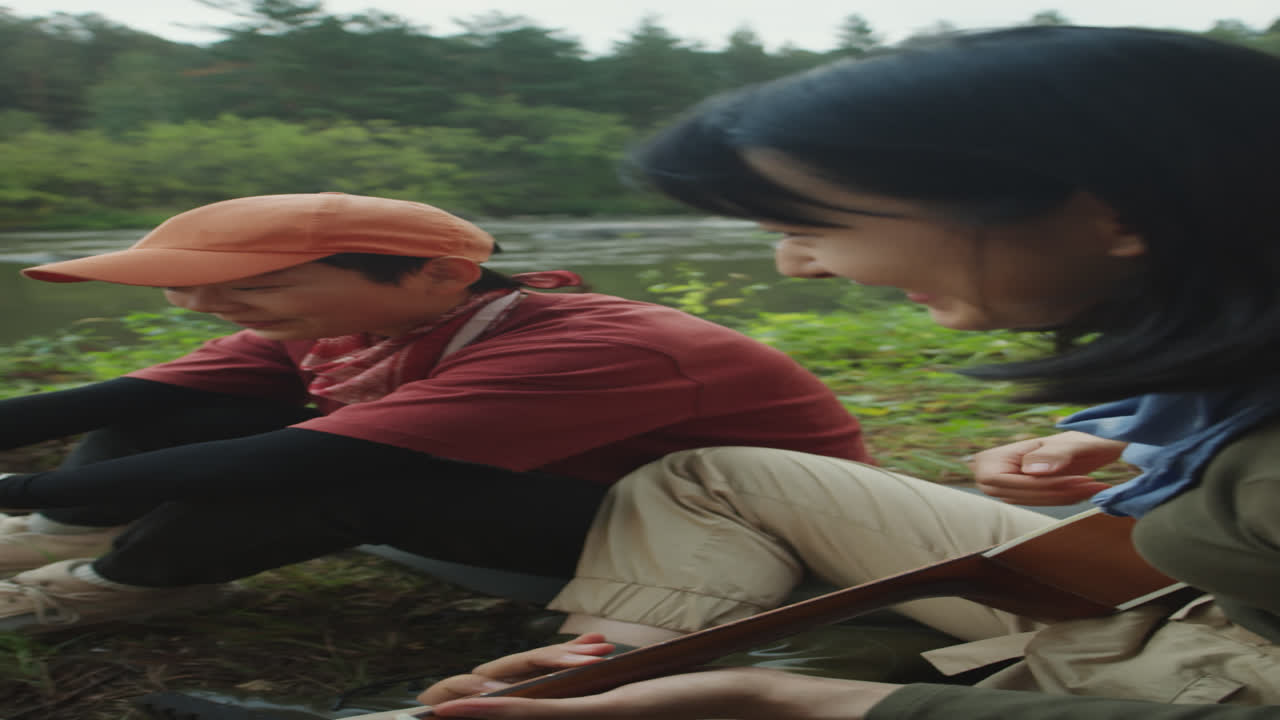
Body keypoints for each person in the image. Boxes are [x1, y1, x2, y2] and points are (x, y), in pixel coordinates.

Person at [418, 26, 1280, 719]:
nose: (801, 268)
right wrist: (1135, 446)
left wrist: (790, 699)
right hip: (1166, 595)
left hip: (1218, 669)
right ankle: (613, 669)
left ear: (1112, 216)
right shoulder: (1236, 372)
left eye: (814, 227)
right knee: (714, 478)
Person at [0, 191, 871, 633]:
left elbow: (310, 463)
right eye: (190, 289)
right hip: (546, 504)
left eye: (252, 286)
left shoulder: (596, 343)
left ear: (437, 274)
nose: (205, 306)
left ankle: (117, 589)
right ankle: (67, 528)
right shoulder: (334, 318)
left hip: (727, 547)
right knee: (184, 406)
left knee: (332, 466)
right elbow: (124, 400)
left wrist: (12, 485)